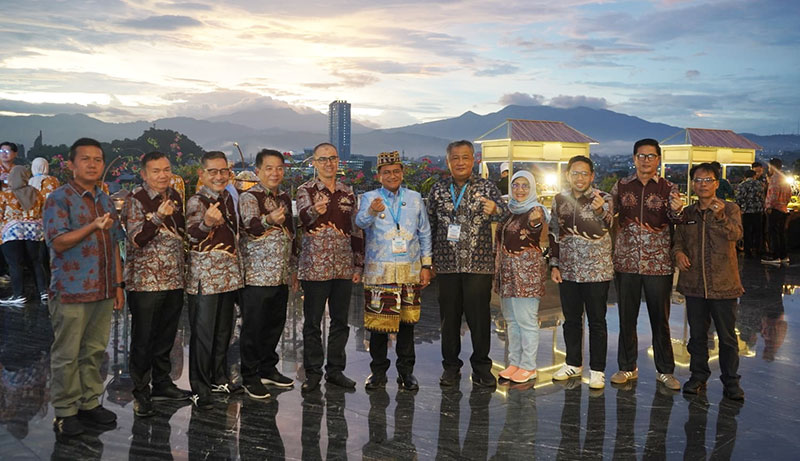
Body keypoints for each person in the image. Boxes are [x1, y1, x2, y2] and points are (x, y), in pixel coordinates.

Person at [44, 138, 125, 436]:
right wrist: (92, 226)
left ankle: (89, 402)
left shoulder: (105, 199)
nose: (92, 165)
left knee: (93, 351)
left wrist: (118, 286)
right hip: (71, 290)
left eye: (98, 159)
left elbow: (115, 244)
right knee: (67, 353)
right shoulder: (59, 199)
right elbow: (58, 242)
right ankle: (65, 411)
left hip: (103, 290)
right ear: (71, 164)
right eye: (85, 159)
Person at [427, 140, 508, 389]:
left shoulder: (487, 187)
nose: (460, 162)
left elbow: (507, 214)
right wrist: (427, 263)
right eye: (455, 158)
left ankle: (482, 368)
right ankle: (450, 368)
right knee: (449, 320)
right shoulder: (438, 190)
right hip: (447, 265)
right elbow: (429, 226)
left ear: (474, 159)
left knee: (479, 320)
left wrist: (497, 209)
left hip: (478, 266)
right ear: (448, 161)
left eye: (465, 157)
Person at [121, 151, 191, 418]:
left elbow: (181, 232)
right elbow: (137, 238)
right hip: (145, 282)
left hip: (173, 279)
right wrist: (158, 217)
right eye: (155, 171)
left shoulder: (174, 196)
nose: (162, 175)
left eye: (166, 169)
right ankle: (141, 393)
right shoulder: (134, 200)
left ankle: (162, 384)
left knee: (166, 337)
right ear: (144, 174)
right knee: (143, 339)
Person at [355, 151, 432, 391]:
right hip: (380, 272)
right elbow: (359, 224)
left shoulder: (415, 198)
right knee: (379, 326)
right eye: (386, 172)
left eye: (396, 171)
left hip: (409, 270)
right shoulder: (369, 198)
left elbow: (425, 232)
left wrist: (426, 265)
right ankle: (378, 373)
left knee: (407, 326)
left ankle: (406, 373)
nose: (392, 175)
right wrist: (371, 212)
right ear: (379, 176)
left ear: (402, 173)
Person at [610, 138, 683, 390]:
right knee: (626, 318)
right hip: (626, 262)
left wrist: (678, 209)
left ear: (658, 160)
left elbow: (676, 220)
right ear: (634, 159)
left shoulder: (669, 188)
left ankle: (665, 371)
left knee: (660, 319)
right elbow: (608, 214)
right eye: (641, 156)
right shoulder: (621, 186)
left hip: (658, 264)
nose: (646, 160)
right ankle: (626, 367)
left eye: (651, 156)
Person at [674, 163, 745, 401]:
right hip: (694, 285)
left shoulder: (731, 208)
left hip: (724, 284)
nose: (702, 185)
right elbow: (678, 241)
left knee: (726, 337)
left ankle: (731, 381)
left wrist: (720, 215)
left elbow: (736, 235)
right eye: (698, 180)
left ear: (716, 183)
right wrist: (679, 254)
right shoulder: (687, 213)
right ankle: (698, 376)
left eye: (708, 180)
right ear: (692, 184)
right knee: (697, 336)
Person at [296, 143, 364, 392]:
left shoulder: (348, 192)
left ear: (338, 162)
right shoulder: (306, 190)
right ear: (314, 163)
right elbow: (302, 217)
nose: (328, 163)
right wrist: (315, 210)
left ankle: (335, 371)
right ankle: (312, 373)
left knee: (340, 322)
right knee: (312, 322)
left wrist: (358, 264)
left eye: (333, 159)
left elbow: (356, 230)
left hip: (343, 266)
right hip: (315, 266)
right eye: (323, 159)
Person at [185, 151, 244, 409]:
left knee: (223, 331)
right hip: (205, 279)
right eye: (213, 171)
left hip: (228, 276)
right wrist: (207, 223)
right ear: (202, 174)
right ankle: (199, 387)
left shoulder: (228, 199)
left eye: (223, 172)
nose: (219, 176)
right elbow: (191, 236)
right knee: (203, 334)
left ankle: (218, 377)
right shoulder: (197, 202)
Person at [549, 155, 614, 389]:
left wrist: (600, 211)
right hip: (568, 270)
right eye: (575, 173)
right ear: (567, 175)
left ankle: (597, 370)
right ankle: (573, 364)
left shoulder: (604, 198)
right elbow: (553, 233)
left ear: (592, 176)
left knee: (597, 322)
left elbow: (610, 224)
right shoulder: (559, 200)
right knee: (571, 320)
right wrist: (554, 265)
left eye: (584, 173)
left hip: (597, 271)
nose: (579, 177)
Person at [238, 149, 297, 399]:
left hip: (280, 274)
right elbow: (249, 227)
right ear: (258, 171)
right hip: (256, 274)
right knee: (254, 327)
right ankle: (249, 376)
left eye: (279, 168)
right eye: (269, 168)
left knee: (275, 324)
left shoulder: (284, 197)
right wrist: (269, 220)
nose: (275, 173)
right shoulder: (249, 197)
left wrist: (292, 269)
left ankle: (267, 369)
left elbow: (292, 235)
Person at [494, 170, 548, 384]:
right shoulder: (511, 211)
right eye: (516, 185)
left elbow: (537, 228)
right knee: (511, 321)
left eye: (525, 185)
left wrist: (536, 222)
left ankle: (529, 366)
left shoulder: (536, 211)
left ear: (533, 188)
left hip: (526, 276)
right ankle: (514, 363)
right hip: (507, 274)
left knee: (526, 321)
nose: (520, 190)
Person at [0, 166, 48, 305]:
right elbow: (43, 211)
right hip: (34, 232)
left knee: (15, 264)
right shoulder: (36, 193)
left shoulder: (6, 194)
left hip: (12, 233)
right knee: (36, 262)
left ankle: (18, 294)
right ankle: (43, 291)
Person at [761, 158, 791, 266]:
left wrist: (768, 206)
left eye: (769, 167)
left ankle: (775, 256)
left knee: (773, 233)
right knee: (781, 233)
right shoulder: (784, 178)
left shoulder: (774, 179)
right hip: (783, 209)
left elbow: (772, 195)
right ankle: (784, 256)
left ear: (772, 167)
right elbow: (789, 195)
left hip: (774, 209)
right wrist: (784, 204)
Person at [735, 169, 765, 259]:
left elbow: (739, 198)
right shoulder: (760, 184)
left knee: (747, 232)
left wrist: (741, 208)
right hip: (758, 211)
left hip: (747, 211)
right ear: (754, 176)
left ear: (745, 176)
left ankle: (748, 251)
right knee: (758, 232)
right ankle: (758, 250)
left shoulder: (742, 185)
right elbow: (763, 198)